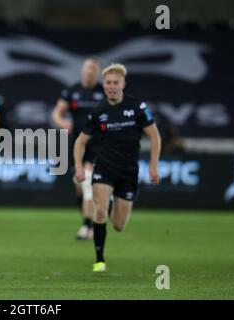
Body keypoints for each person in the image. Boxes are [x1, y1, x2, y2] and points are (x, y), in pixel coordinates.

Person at [73, 63, 161, 272]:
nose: (111, 86)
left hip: (128, 170)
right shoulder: (99, 111)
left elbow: (155, 136)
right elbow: (80, 141)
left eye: (116, 83)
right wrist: (78, 167)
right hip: (104, 166)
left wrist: (153, 166)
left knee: (119, 225)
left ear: (123, 84)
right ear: (104, 86)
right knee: (100, 211)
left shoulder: (137, 107)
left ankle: (111, 202)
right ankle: (99, 260)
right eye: (108, 83)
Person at [52, 57, 104, 240]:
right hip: (78, 146)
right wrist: (62, 122)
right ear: (83, 70)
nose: (90, 72)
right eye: (88, 68)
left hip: (98, 145)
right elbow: (57, 113)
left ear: (97, 73)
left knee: (88, 181)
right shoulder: (72, 91)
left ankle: (87, 226)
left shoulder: (103, 92)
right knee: (79, 187)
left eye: (94, 69)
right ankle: (89, 220)